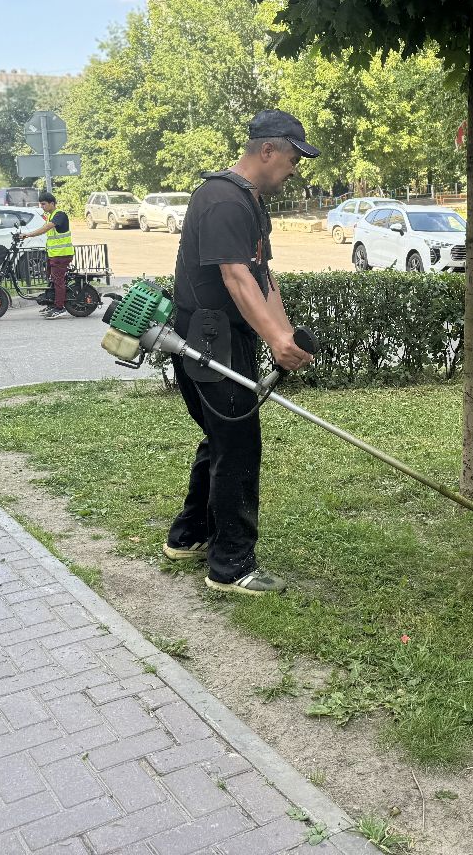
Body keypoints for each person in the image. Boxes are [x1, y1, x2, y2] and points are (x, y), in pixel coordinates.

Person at [165, 110, 317, 595]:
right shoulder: (221, 201)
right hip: (208, 344)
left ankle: (190, 536)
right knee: (237, 447)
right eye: (293, 158)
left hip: (228, 342)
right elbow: (233, 278)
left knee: (221, 439)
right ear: (267, 151)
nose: (294, 169)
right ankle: (230, 567)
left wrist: (285, 336)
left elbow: (260, 278)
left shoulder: (249, 201)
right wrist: (273, 340)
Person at [17, 191, 74, 319]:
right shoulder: (50, 215)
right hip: (54, 255)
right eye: (41, 204)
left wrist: (28, 234)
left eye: (44, 204)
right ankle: (53, 304)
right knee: (52, 280)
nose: (42, 207)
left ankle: (60, 308)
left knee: (58, 281)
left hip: (62, 255)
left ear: (52, 203)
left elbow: (46, 228)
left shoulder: (60, 215)